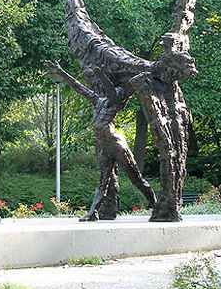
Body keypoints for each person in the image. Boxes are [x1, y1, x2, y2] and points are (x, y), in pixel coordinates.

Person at [47, 61, 156, 221]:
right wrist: (61, 72)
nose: (114, 92)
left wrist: (101, 74)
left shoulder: (115, 102)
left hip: (117, 145)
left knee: (136, 179)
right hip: (104, 147)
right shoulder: (98, 101)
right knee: (103, 182)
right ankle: (93, 213)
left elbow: (111, 91)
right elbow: (78, 87)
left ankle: (155, 204)